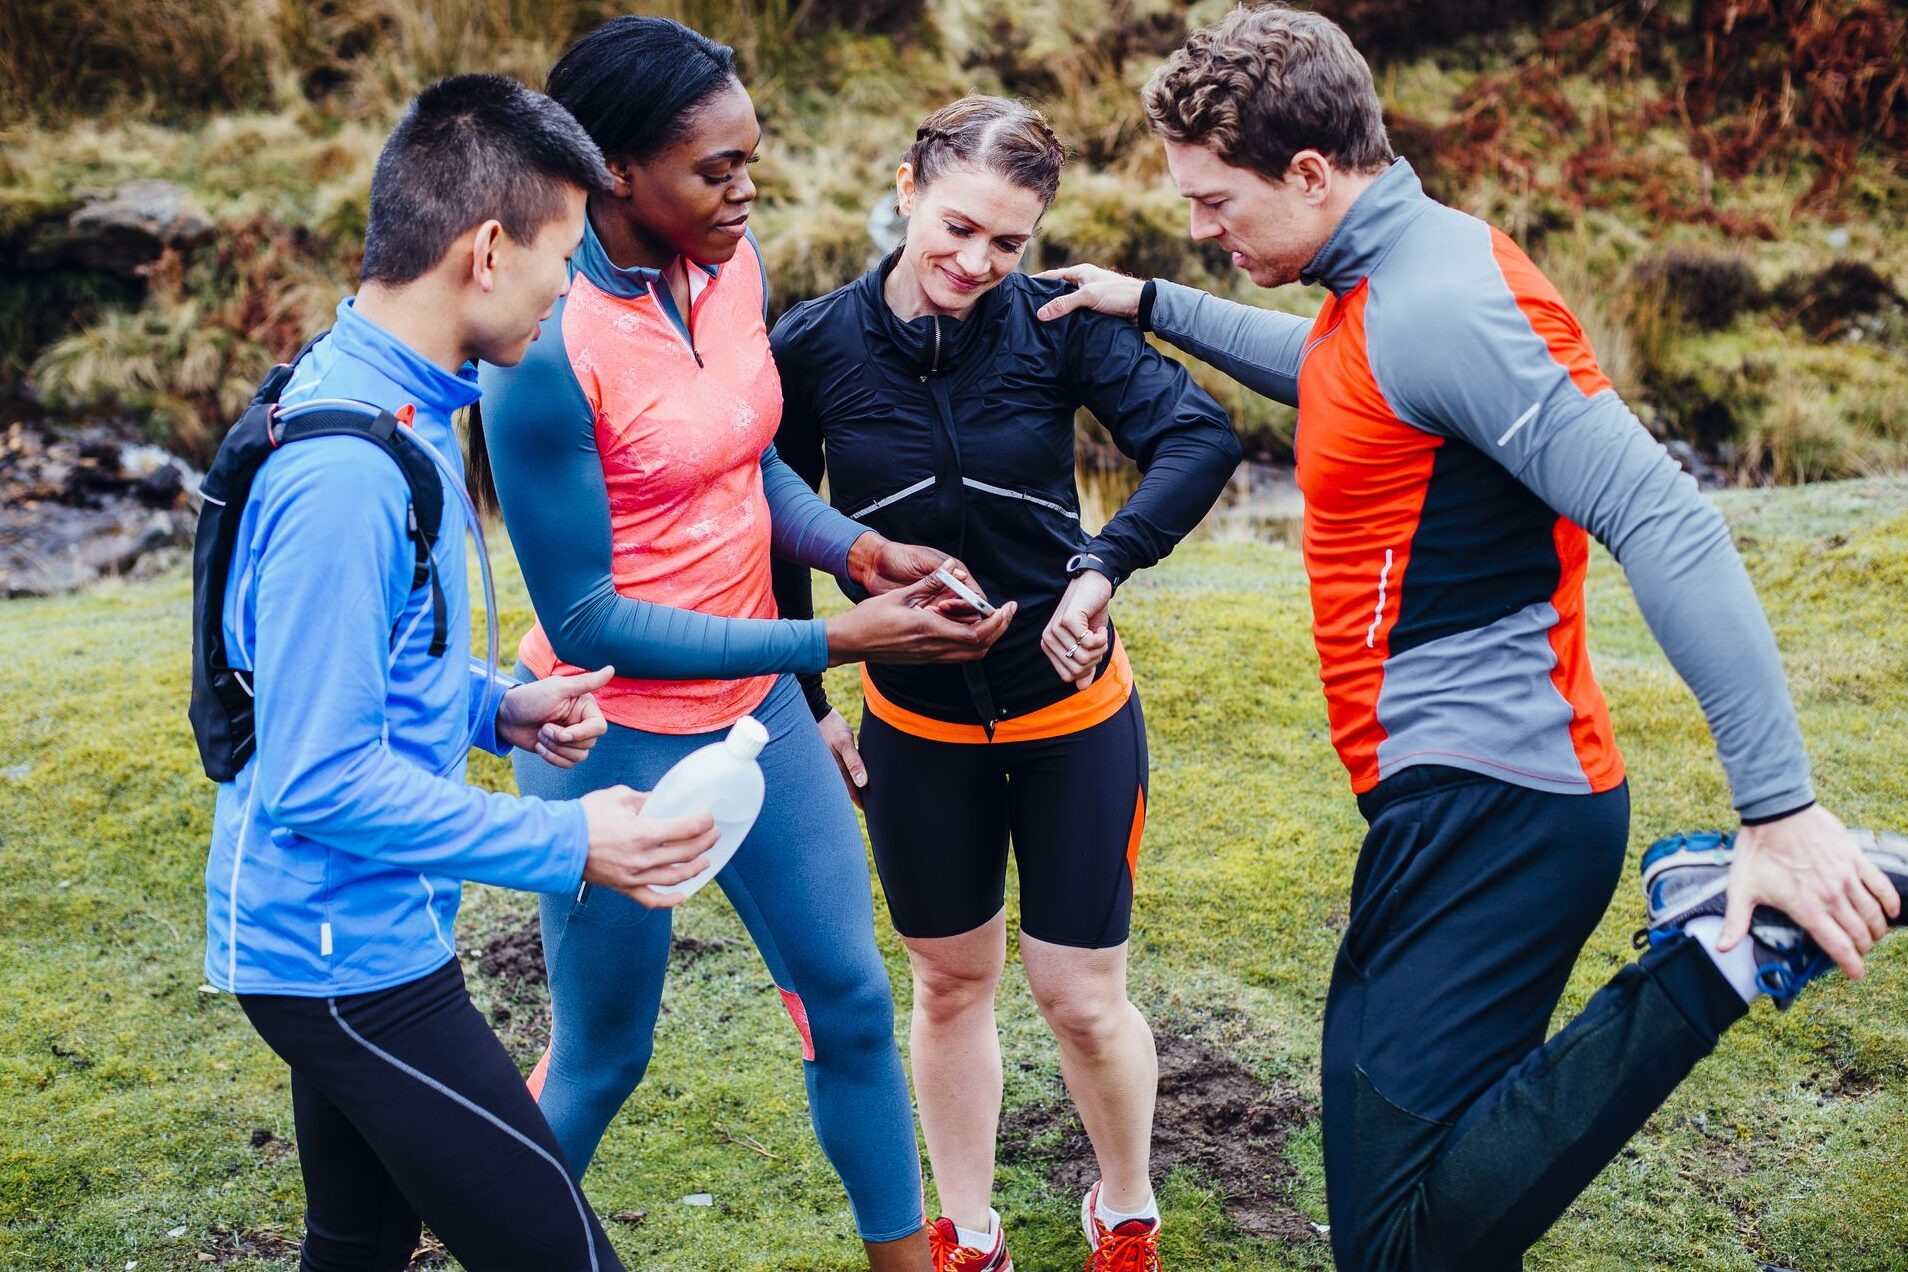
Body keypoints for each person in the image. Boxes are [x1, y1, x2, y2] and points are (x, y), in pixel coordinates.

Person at [1036, 6, 1908, 1269]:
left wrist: (1779, 808)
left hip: (1496, 808)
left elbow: (1665, 517)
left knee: (1401, 1247)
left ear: (1313, 175)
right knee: (1418, 1205)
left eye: (1215, 203)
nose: (1201, 228)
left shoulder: (1444, 302)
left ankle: (1728, 945)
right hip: (1451, 803)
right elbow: (1342, 377)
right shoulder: (1384, 287)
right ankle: (1719, 941)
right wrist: (1155, 302)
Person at [475, 19, 1013, 1271]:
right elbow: (584, 622)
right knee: (605, 1053)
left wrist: (857, 549)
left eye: (750, 161)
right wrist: (833, 637)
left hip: (757, 719)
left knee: (855, 1006)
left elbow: (746, 454)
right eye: (715, 168)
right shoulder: (544, 351)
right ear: (614, 170)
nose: (746, 189)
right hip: (610, 743)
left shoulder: (727, 265)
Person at [202, 75, 725, 1272]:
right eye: (562, 258)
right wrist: (572, 842)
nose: (571, 289)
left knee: (359, 1243)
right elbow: (318, 780)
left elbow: (369, 654)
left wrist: (497, 706)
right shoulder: (349, 472)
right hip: (342, 955)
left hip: (358, 932)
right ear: (489, 251)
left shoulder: (399, 397)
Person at [771, 96, 1243, 1272]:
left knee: (1081, 998)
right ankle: (967, 1233)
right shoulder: (815, 345)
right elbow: (774, 531)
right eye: (960, 228)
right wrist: (813, 704)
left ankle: (1125, 1208)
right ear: (905, 187)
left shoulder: (1056, 324)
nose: (978, 264)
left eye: (1009, 243)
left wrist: (1101, 568)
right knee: (947, 985)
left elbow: (1199, 435)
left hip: (1070, 714)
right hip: (915, 730)